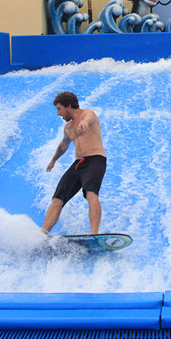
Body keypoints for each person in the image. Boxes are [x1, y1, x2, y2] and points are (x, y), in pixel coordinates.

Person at [41, 91, 107, 235]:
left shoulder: (87, 114)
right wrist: (53, 160)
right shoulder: (68, 127)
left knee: (91, 193)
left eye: (59, 109)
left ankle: (95, 234)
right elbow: (64, 145)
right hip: (78, 163)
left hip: (95, 160)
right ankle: (43, 234)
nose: (58, 113)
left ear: (69, 106)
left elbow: (89, 117)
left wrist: (84, 122)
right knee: (58, 198)